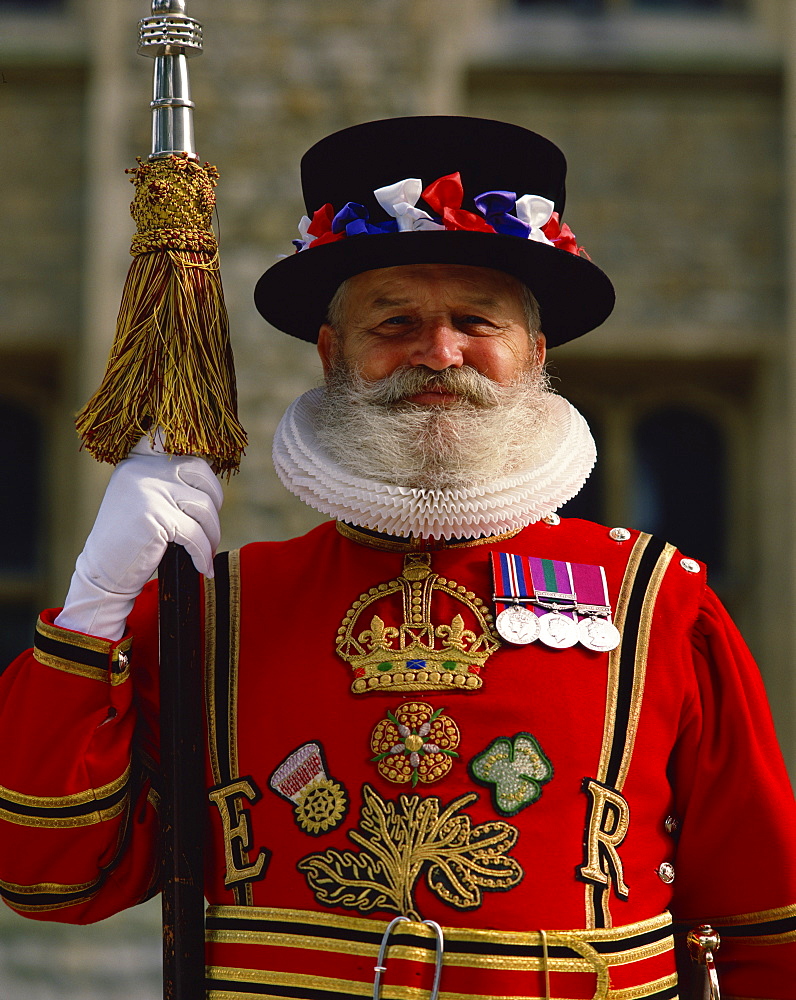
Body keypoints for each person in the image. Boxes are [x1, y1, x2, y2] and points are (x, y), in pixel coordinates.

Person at [0, 116, 794, 1000]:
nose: (438, 351)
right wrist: (95, 602)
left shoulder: (658, 601)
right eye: (396, 320)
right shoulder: (224, 609)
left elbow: (762, 925)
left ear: (534, 354)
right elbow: (51, 874)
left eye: (474, 320)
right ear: (335, 356)